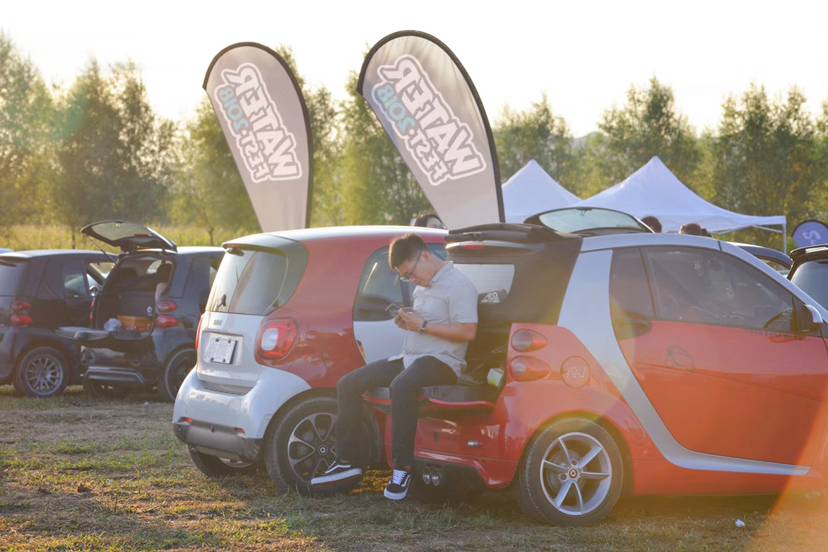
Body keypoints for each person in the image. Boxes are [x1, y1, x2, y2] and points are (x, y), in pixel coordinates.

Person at [310, 233, 478, 500]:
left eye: (410, 274)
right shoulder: (422, 286)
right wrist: (408, 321)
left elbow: (468, 331)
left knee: (401, 386)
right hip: (411, 358)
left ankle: (402, 470)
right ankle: (347, 462)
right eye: (406, 277)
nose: (411, 280)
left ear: (425, 256)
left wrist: (422, 325)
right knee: (348, 383)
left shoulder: (459, 285)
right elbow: (425, 325)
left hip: (443, 362)